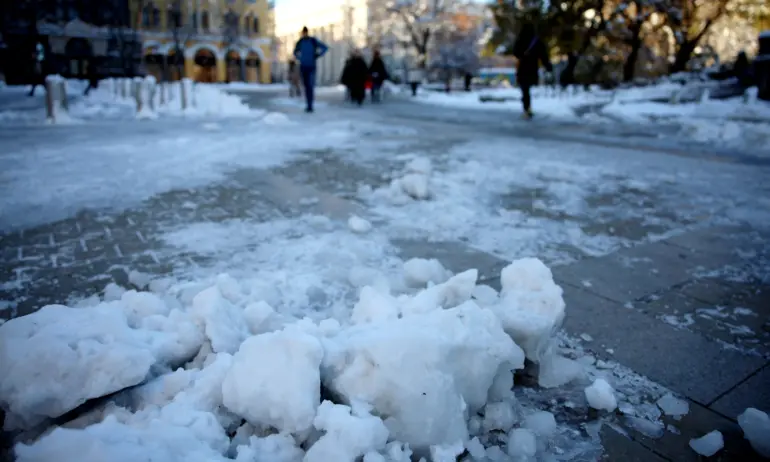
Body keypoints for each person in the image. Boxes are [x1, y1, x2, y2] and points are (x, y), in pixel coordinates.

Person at [512, 23, 552, 119]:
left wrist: (522, 55)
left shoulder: (520, 40)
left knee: (525, 89)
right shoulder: (537, 41)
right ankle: (528, 108)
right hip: (533, 67)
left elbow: (516, 52)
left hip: (522, 68)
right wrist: (548, 66)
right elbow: (543, 56)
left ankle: (526, 108)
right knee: (527, 88)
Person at [293, 26, 328, 113]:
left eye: (305, 32)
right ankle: (308, 104)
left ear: (307, 32)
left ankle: (310, 105)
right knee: (306, 86)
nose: (304, 34)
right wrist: (300, 58)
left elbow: (325, 48)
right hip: (303, 66)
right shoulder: (300, 42)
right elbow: (295, 52)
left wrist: (317, 55)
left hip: (311, 66)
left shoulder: (313, 41)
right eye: (303, 32)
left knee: (310, 86)